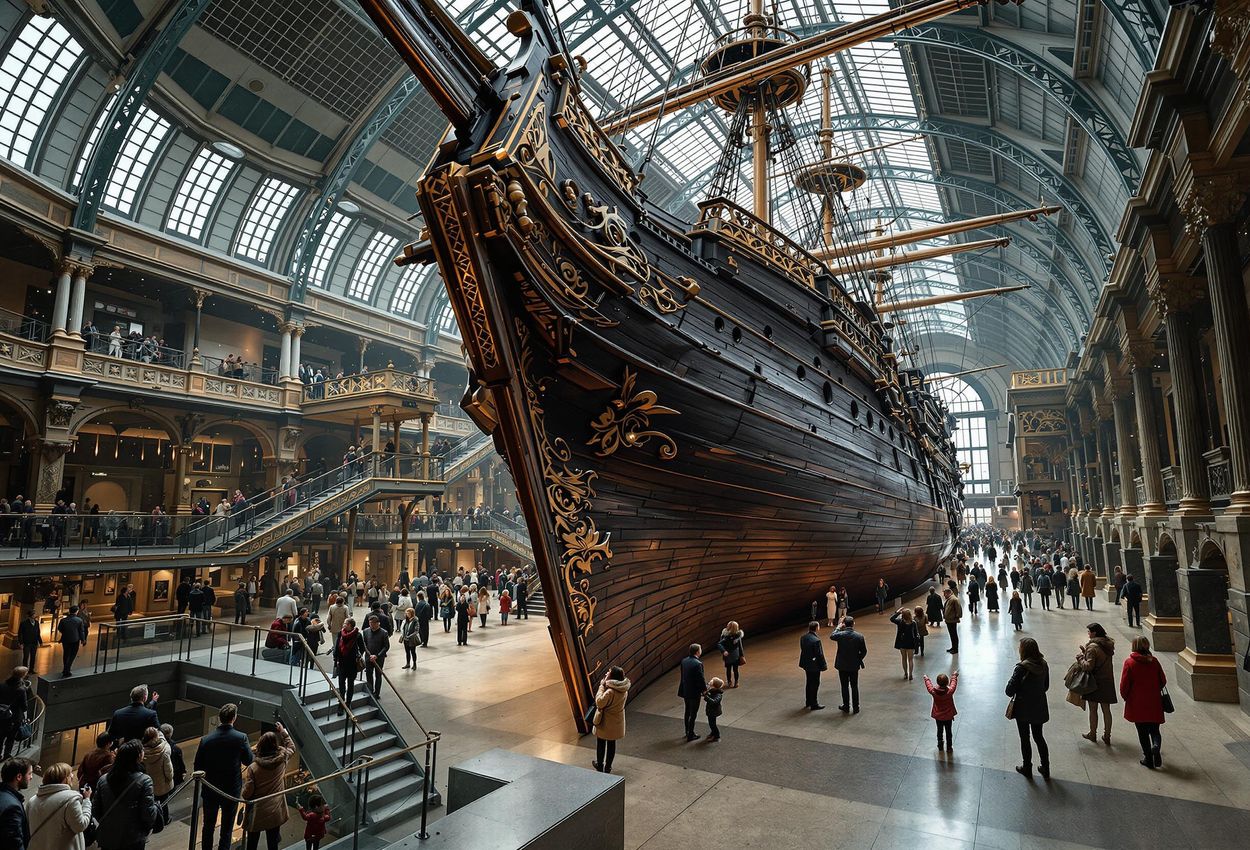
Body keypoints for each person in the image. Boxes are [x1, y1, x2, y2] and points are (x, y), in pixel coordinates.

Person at [194, 703, 253, 850]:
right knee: (227, 828)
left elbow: (198, 766)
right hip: (231, 789)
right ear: (234, 718)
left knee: (208, 826)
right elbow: (248, 761)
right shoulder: (241, 738)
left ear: (220, 718)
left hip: (210, 788)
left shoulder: (206, 740)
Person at [92, 740, 158, 850]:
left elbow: (96, 810)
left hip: (108, 835)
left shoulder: (103, 780)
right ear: (137, 756)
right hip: (133, 837)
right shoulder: (145, 781)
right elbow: (148, 814)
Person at [241, 723, 295, 850]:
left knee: (252, 844)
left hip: (258, 811)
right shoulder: (283, 758)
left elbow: (247, 793)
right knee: (273, 843)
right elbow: (291, 746)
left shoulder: (253, 768)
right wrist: (283, 731)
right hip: (275, 809)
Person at [1006, 637, 1050, 778]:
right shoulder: (1043, 664)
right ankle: (1046, 767)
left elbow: (1009, 691)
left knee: (1025, 738)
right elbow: (1046, 686)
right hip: (1039, 705)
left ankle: (1027, 767)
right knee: (1039, 737)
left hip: (1023, 708)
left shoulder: (1021, 668)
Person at [1120, 636, 1167, 768]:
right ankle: (1156, 746)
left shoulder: (1129, 663)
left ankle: (1148, 759)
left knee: (1142, 732)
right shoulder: (1154, 661)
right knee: (1155, 729)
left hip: (1137, 702)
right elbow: (1163, 680)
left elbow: (1124, 685)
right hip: (1154, 701)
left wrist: (1126, 697)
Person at [25, 761, 92, 850]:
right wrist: (87, 801)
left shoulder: (32, 801)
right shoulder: (70, 800)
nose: (72, 776)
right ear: (64, 778)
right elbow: (80, 825)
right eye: (70, 774)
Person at [1078, 623, 1118, 745]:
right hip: (1107, 681)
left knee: (1093, 709)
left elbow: (1088, 667)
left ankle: (1093, 733)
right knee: (1106, 710)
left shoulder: (1092, 647)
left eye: (1089, 632)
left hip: (1094, 683)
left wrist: (1081, 658)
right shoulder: (1107, 645)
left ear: (1094, 633)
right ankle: (1107, 735)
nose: (1088, 634)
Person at [591, 666, 630, 773]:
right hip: (617, 722)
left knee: (601, 743)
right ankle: (608, 767)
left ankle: (600, 765)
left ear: (612, 676)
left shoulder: (610, 691)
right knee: (612, 744)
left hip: (606, 721)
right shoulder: (623, 690)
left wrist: (601, 687)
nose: (606, 674)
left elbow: (600, 702)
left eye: (608, 672)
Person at [830, 616, 867, 713]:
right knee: (854, 686)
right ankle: (856, 707)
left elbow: (832, 636)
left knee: (844, 686)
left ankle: (846, 706)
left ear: (844, 624)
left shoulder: (840, 635)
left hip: (842, 665)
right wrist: (858, 658)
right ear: (853, 623)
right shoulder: (859, 636)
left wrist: (838, 627)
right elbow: (864, 651)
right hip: (854, 665)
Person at [332, 618, 366, 713]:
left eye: (346, 623)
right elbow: (337, 645)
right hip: (342, 663)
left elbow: (362, 648)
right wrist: (335, 657)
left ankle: (348, 702)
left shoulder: (358, 635)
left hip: (352, 664)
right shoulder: (340, 633)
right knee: (341, 684)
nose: (344, 625)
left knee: (350, 684)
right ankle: (341, 703)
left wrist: (358, 656)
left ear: (351, 625)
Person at [140, 726, 173, 820]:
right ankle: (164, 819)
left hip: (148, 782)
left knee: (150, 802)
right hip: (162, 782)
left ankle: (152, 820)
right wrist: (170, 778)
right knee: (164, 803)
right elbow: (168, 770)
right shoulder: (164, 750)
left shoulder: (142, 751)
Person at [0, 757, 32, 850]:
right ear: (19, 777)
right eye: (29, 773)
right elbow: (14, 843)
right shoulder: (12, 807)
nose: (31, 777)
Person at [923, 671, 959, 752]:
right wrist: (954, 675)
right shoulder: (950, 692)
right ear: (947, 683)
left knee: (939, 731)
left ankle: (940, 744)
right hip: (948, 716)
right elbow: (953, 684)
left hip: (938, 716)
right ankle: (949, 747)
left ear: (937, 683)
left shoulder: (933, 692)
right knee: (948, 732)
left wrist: (926, 678)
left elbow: (929, 686)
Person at [678, 644, 707, 741]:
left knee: (687, 711)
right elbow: (700, 679)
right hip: (694, 692)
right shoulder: (698, 663)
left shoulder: (684, 661)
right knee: (693, 713)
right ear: (697, 652)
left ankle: (687, 731)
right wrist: (704, 690)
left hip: (686, 690)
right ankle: (691, 734)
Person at [798, 621, 827, 711]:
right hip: (814, 665)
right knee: (815, 683)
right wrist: (823, 665)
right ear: (817, 628)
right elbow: (819, 654)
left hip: (806, 663)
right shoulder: (816, 640)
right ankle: (814, 703)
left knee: (809, 682)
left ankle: (808, 701)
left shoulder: (803, 637)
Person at [56, 606, 87, 678]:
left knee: (66, 654)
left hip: (65, 639)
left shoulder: (63, 620)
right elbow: (81, 631)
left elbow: (60, 629)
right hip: (75, 640)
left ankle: (65, 668)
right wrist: (83, 640)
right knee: (72, 655)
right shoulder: (79, 620)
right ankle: (67, 669)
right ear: (76, 611)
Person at [363, 615, 389, 697]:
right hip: (368, 657)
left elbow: (386, 646)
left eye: (373, 623)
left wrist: (377, 655)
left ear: (378, 623)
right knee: (369, 675)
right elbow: (364, 644)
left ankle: (377, 693)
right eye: (370, 623)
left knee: (378, 675)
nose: (371, 625)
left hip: (379, 658)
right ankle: (370, 691)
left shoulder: (384, 633)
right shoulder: (366, 631)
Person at [888, 608, 918, 680]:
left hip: (902, 642)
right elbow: (916, 633)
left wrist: (898, 612)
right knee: (910, 659)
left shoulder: (900, 622)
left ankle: (905, 674)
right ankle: (911, 674)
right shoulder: (913, 623)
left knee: (904, 659)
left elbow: (891, 619)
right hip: (911, 643)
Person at [717, 621, 745, 688]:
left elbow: (740, 646)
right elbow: (720, 644)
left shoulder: (737, 636)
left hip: (733, 655)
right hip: (732, 655)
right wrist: (742, 655)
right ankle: (732, 681)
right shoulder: (725, 636)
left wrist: (742, 655)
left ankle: (733, 682)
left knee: (732, 669)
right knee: (732, 669)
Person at [704, 677, 725, 742]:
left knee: (712, 724)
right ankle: (713, 733)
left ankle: (716, 735)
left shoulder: (718, 694)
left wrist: (706, 696)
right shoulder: (712, 691)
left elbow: (714, 702)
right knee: (711, 723)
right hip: (711, 711)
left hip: (714, 711)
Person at [943, 587, 962, 654]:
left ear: (948, 593)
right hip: (949, 620)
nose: (944, 596)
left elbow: (958, 609)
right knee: (952, 635)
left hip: (952, 620)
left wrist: (957, 616)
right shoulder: (950, 599)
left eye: (945, 594)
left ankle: (955, 649)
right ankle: (953, 647)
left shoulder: (954, 599)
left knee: (954, 635)